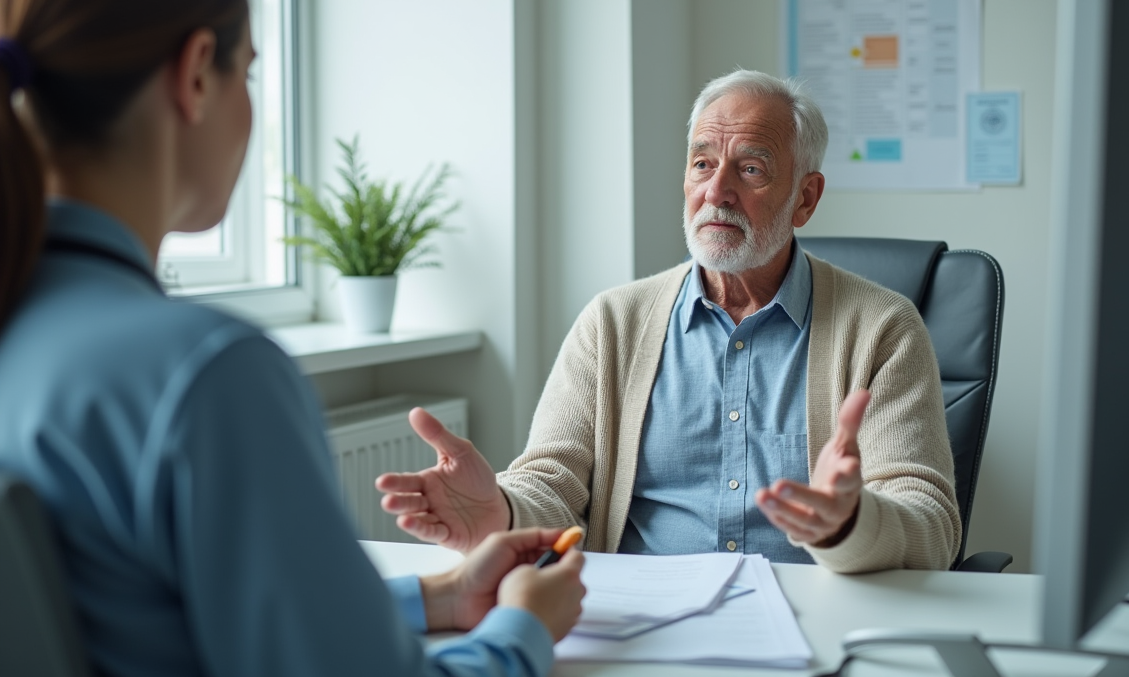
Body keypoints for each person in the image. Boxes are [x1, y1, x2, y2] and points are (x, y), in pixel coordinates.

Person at [0, 0, 583, 677]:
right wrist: (523, 633)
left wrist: (437, 597)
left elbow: (142, 620)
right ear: (197, 72)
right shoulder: (202, 376)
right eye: (249, 71)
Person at [377, 69, 961, 574]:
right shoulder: (613, 322)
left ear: (805, 199)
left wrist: (854, 520)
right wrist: (499, 510)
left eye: (751, 169)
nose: (717, 191)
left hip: (815, 624)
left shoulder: (884, 328)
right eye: (702, 163)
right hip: (644, 623)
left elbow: (931, 526)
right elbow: (552, 483)